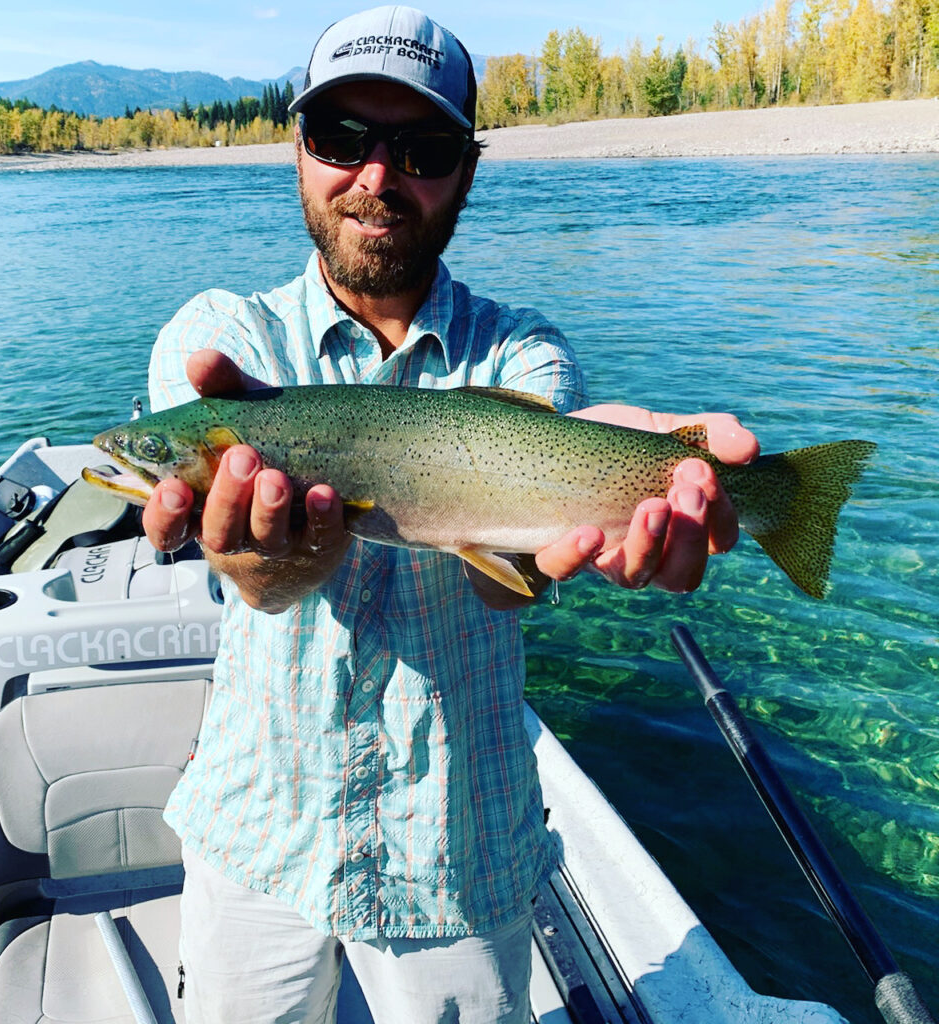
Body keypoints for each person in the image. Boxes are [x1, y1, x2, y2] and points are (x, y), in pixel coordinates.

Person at [142, 6, 758, 1023]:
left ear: (466, 168)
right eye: (342, 139)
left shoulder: (524, 355)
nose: (376, 178)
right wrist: (263, 560)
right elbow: (261, 579)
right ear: (297, 150)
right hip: (257, 831)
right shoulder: (221, 346)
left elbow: (499, 573)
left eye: (421, 147)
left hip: (458, 853)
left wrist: (645, 483)